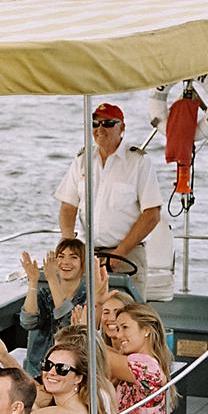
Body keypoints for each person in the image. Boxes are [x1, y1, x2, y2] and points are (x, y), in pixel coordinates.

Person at [55, 102, 162, 295]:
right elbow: (68, 206)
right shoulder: (82, 160)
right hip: (88, 255)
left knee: (127, 318)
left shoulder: (138, 162)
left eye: (108, 123)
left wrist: (119, 253)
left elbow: (152, 214)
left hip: (128, 255)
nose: (100, 129)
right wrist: (69, 247)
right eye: (95, 124)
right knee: (87, 316)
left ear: (122, 127)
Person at [100, 302, 173, 414]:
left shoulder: (147, 367)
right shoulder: (137, 361)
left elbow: (99, 354)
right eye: (118, 329)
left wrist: (84, 330)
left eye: (125, 327)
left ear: (146, 329)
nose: (118, 336)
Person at [19, 239, 87, 376]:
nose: (66, 262)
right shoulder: (45, 295)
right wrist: (33, 281)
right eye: (61, 256)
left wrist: (52, 279)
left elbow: (69, 327)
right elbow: (28, 322)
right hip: (36, 371)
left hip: (68, 372)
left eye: (73, 257)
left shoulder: (87, 298)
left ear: (83, 264)